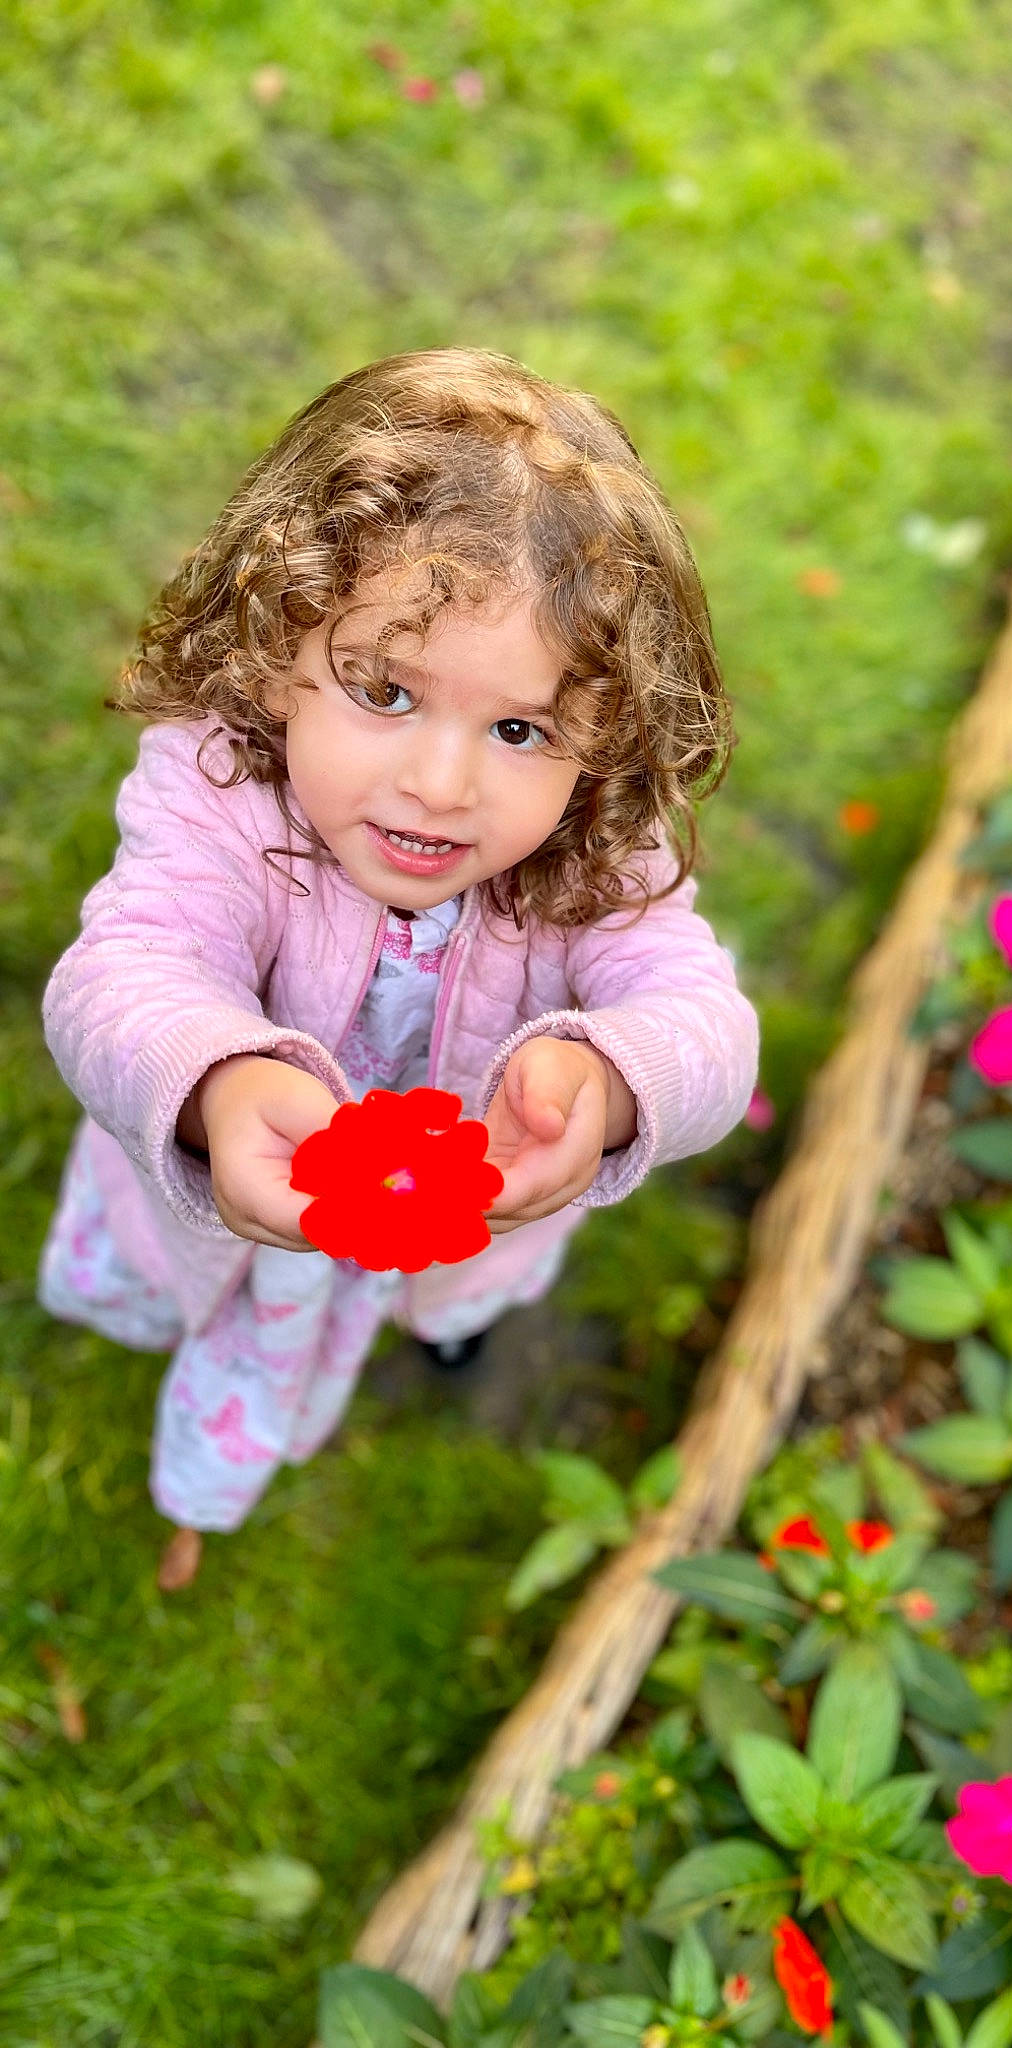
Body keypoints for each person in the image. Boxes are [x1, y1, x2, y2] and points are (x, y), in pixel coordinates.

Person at [36, 348, 759, 1592]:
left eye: (521, 728)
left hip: (471, 1214)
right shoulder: (222, 791)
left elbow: (706, 1017)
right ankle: (199, 1473)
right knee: (220, 1314)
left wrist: (616, 1077)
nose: (440, 782)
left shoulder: (593, 848)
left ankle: (443, 1320)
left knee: (451, 1293)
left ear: (600, 743)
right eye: (383, 689)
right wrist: (213, 1086)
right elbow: (125, 970)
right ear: (278, 654)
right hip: (269, 1196)